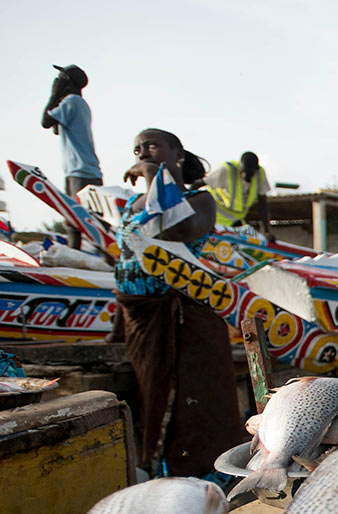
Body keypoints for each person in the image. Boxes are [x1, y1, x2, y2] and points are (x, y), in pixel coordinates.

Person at [110, 128, 244, 480]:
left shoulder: (200, 200)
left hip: (189, 321)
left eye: (152, 146)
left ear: (177, 153)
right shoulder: (132, 205)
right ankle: (164, 477)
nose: (143, 152)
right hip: (142, 319)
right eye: (137, 148)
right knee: (153, 404)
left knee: (197, 408)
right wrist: (115, 331)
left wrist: (156, 176)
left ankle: (207, 479)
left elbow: (180, 230)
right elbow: (123, 263)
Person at [40, 64, 102, 251]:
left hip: (80, 170)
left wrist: (54, 94)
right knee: (76, 217)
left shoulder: (72, 101)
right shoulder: (78, 103)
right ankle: (77, 254)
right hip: (82, 169)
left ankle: (88, 255)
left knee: (79, 218)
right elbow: (56, 130)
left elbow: (45, 121)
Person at [204, 152, 273, 240]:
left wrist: (266, 231)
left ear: (256, 170)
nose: (245, 175)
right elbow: (198, 183)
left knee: (248, 242)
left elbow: (263, 203)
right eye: (244, 171)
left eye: (249, 173)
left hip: (236, 221)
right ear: (241, 167)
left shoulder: (260, 174)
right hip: (215, 221)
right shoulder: (225, 170)